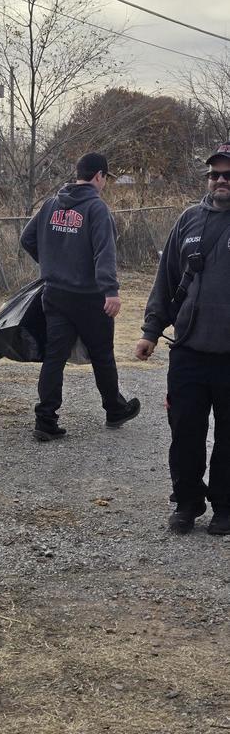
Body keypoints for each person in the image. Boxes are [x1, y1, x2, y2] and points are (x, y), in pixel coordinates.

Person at [136, 142, 230, 535]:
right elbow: (166, 280)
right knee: (185, 431)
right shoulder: (189, 220)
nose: (221, 180)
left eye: (228, 175)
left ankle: (226, 506)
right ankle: (187, 502)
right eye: (215, 174)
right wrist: (151, 332)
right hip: (189, 350)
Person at [20, 152, 140, 441]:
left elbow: (27, 239)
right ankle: (114, 409)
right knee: (102, 354)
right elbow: (104, 253)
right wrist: (110, 291)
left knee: (54, 357)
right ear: (99, 176)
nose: (104, 183)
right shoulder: (97, 209)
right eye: (106, 178)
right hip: (89, 298)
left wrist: (52, 264)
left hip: (55, 294)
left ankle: (45, 419)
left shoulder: (50, 204)